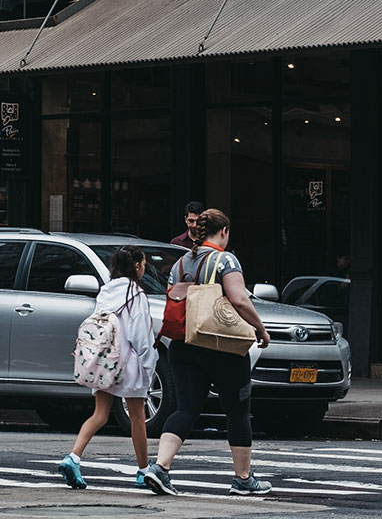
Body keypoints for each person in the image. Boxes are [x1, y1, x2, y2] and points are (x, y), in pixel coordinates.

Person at [143, 208, 273, 497]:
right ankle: (242, 478)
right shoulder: (225, 259)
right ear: (223, 231)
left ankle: (160, 467)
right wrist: (260, 329)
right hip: (221, 345)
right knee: (237, 411)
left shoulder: (179, 263)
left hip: (183, 345)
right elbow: (239, 299)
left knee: (186, 408)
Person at [58, 246, 160, 489]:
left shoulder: (106, 292)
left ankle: (73, 457)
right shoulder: (137, 295)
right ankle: (143, 470)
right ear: (136, 266)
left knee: (99, 414)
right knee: (137, 416)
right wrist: (149, 364)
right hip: (130, 364)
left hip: (105, 362)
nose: (144, 267)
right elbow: (140, 338)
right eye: (143, 263)